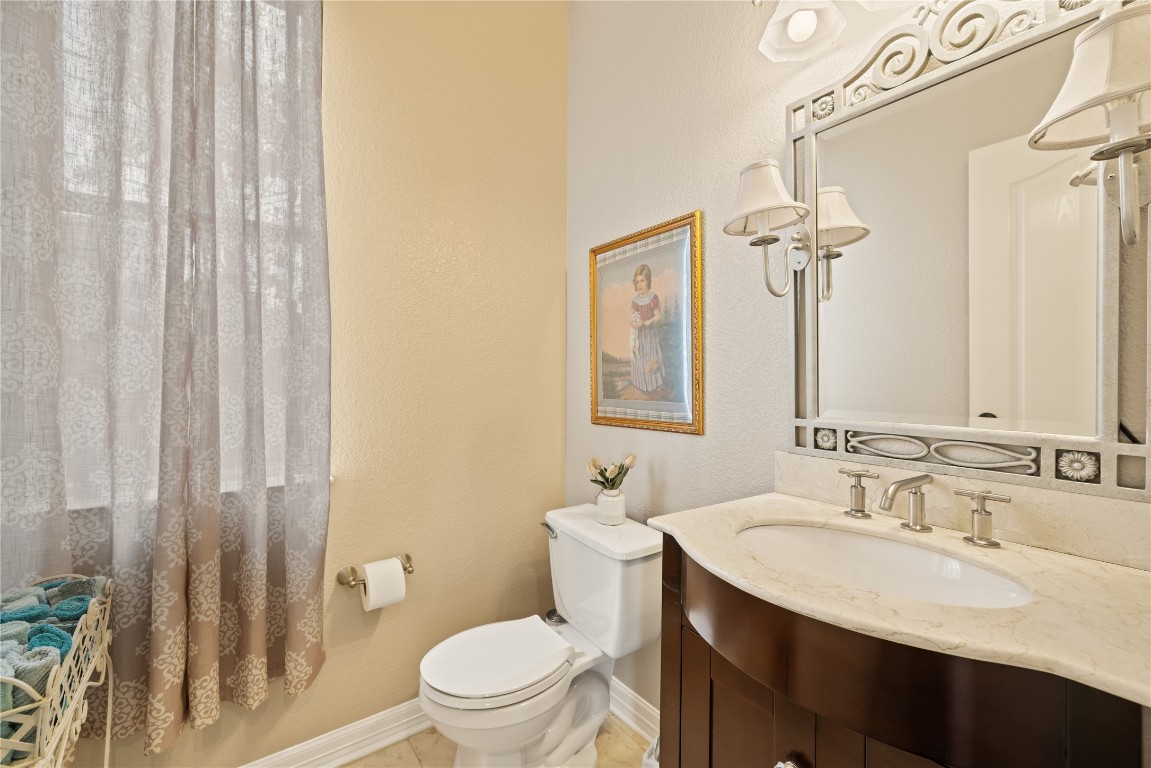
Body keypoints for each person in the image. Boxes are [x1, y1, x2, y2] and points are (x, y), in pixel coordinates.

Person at [629, 264, 664, 393]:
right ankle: (641, 384)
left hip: (649, 334)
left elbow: (658, 315)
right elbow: (634, 317)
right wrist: (634, 323)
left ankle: (654, 384)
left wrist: (649, 321)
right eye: (637, 281)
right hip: (639, 334)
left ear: (648, 281)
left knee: (650, 357)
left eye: (642, 281)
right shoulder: (635, 301)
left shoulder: (653, 298)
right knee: (640, 358)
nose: (639, 284)